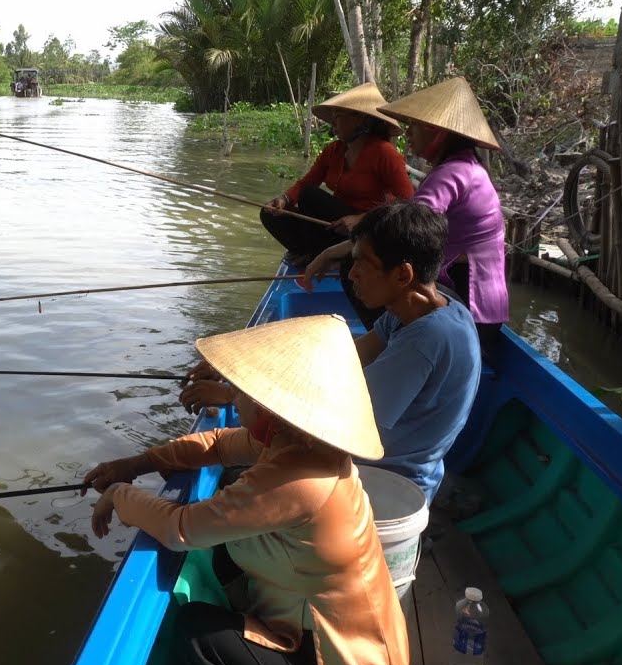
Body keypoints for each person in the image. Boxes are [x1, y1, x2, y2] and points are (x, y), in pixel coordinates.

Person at [86, 315, 409, 665]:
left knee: (196, 633)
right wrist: (137, 464)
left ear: (270, 410)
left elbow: (179, 529)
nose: (234, 399)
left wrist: (119, 493)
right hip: (342, 636)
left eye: (242, 393)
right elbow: (219, 444)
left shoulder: (299, 479)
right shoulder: (302, 445)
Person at [184, 202, 482, 504]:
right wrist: (236, 365)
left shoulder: (425, 339)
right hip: (400, 464)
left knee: (234, 488)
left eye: (362, 263)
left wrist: (233, 396)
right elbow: (341, 357)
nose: (351, 275)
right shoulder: (425, 307)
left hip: (388, 480)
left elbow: (339, 423)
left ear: (403, 275)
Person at [305, 77, 509, 345]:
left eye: (415, 125)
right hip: (481, 306)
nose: (408, 132)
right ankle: (387, 337)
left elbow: (401, 228)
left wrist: (329, 253)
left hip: (472, 310)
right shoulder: (466, 167)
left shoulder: (454, 172)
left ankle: (390, 341)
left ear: (438, 132)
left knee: (356, 269)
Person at [261, 83, 414, 266]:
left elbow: (408, 204)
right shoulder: (333, 151)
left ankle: (323, 254)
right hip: (335, 226)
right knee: (269, 214)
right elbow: (307, 182)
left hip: (366, 230)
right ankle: (313, 252)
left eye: (338, 116)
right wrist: (284, 199)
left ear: (360, 119)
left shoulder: (385, 153)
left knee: (310, 196)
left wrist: (362, 219)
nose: (333, 123)